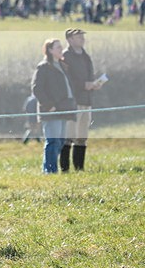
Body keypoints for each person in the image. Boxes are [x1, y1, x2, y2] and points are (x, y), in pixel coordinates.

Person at [32, 38, 76, 174]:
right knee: (53, 141)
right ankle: (50, 171)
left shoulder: (63, 66)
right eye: (57, 47)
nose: (61, 49)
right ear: (50, 50)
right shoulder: (44, 67)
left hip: (63, 108)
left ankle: (49, 168)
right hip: (51, 110)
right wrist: (48, 105)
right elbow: (36, 88)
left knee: (61, 141)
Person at [61, 28, 103, 171]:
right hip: (73, 102)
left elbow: (89, 75)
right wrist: (83, 85)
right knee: (69, 136)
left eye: (82, 36)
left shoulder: (86, 56)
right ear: (70, 39)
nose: (82, 39)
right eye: (78, 36)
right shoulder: (65, 56)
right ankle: (65, 169)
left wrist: (94, 84)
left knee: (82, 136)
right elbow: (67, 79)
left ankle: (79, 168)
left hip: (86, 101)